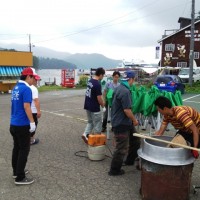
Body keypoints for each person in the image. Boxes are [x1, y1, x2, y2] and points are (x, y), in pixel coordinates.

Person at [10, 67, 37, 185]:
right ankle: (20, 177)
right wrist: (32, 122)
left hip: (13, 123)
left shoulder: (15, 87)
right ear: (28, 77)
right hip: (22, 124)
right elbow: (27, 107)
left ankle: (16, 171)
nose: (34, 81)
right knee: (24, 150)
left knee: (16, 148)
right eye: (33, 78)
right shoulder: (26, 89)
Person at [109, 71, 139, 176]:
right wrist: (135, 120)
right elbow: (127, 110)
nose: (134, 82)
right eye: (134, 79)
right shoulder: (125, 91)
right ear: (131, 79)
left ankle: (130, 160)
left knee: (135, 140)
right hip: (121, 123)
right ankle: (114, 170)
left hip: (125, 121)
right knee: (122, 148)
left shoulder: (118, 88)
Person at [82, 67, 106, 143]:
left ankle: (85, 134)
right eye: (103, 75)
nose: (103, 77)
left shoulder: (90, 81)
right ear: (101, 75)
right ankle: (97, 141)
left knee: (90, 122)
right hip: (94, 108)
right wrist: (103, 106)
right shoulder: (97, 84)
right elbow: (99, 98)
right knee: (98, 124)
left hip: (87, 105)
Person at [30, 71, 41, 145]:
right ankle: (31, 140)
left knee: (28, 125)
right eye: (36, 80)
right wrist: (39, 111)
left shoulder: (27, 87)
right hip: (33, 110)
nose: (37, 81)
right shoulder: (34, 88)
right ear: (32, 79)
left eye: (37, 80)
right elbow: (36, 100)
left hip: (27, 110)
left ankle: (28, 139)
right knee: (34, 124)